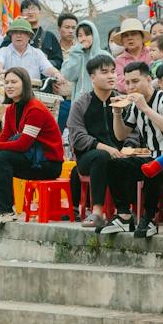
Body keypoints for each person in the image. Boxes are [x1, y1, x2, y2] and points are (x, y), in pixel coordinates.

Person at [96, 60, 163, 237]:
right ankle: (123, 216)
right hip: (154, 157)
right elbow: (121, 135)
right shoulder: (135, 106)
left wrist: (144, 108)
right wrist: (117, 112)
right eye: (127, 82)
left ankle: (149, 218)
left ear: (149, 79)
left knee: (152, 167)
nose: (130, 87)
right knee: (115, 165)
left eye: (135, 81)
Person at [0, 67, 62, 226]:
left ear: (25, 84)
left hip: (47, 164)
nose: (9, 86)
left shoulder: (36, 109)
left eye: (14, 82)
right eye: (6, 82)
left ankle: (5, 210)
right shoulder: (12, 109)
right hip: (31, 159)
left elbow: (23, 144)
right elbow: (4, 137)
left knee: (3, 155)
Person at [64, 53, 125, 227]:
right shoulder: (81, 103)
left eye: (113, 71)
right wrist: (106, 148)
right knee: (101, 157)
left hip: (119, 155)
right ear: (92, 77)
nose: (111, 76)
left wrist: (128, 147)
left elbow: (133, 131)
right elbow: (77, 136)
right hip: (88, 158)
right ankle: (97, 212)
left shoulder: (122, 100)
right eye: (104, 72)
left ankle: (130, 213)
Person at [0, 18, 59, 93]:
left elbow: (48, 68)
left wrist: (56, 74)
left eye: (22, 32)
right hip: (9, 92)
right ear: (10, 36)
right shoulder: (4, 51)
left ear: (29, 36)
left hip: (32, 93)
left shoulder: (37, 53)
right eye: (15, 32)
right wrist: (0, 71)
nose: (18, 35)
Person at [110, 16, 150, 88]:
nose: (130, 38)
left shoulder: (152, 53)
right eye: (126, 35)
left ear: (142, 36)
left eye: (133, 34)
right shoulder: (118, 61)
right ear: (122, 40)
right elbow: (121, 84)